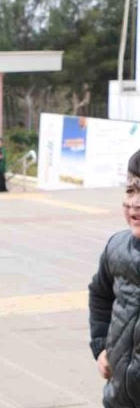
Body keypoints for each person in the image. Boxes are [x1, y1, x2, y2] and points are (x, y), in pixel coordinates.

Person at [88, 149, 140, 407]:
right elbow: (100, 295)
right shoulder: (116, 248)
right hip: (119, 397)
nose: (135, 203)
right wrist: (101, 347)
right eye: (131, 190)